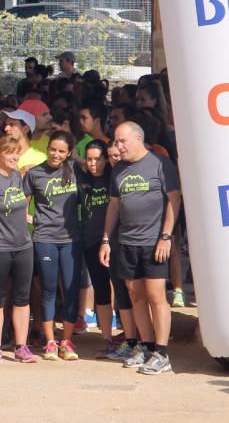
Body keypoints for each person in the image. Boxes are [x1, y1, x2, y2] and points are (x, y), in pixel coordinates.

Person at [99, 122, 181, 376]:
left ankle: (162, 352)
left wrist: (166, 236)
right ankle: (145, 347)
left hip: (153, 242)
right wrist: (105, 239)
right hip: (126, 242)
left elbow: (174, 200)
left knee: (156, 297)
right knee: (135, 296)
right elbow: (114, 205)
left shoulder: (159, 163)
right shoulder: (119, 169)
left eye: (121, 141)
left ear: (138, 138)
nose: (117, 146)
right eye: (115, 141)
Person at [0, 134, 38, 364]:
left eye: (17, 152)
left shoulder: (22, 178)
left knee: (22, 297)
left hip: (23, 246)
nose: (15, 156)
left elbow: (24, 206)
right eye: (9, 152)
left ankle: (21, 346)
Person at [25, 130, 82, 361]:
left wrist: (75, 159)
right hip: (44, 238)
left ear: (69, 153)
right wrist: (31, 221)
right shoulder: (34, 173)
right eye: (52, 149)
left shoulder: (75, 171)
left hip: (71, 239)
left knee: (70, 289)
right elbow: (21, 204)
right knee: (48, 289)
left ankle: (67, 341)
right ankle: (50, 341)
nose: (55, 154)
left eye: (61, 151)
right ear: (47, 148)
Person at [76, 139, 118, 358]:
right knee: (101, 290)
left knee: (123, 289)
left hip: (115, 240)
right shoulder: (81, 180)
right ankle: (108, 339)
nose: (93, 164)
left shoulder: (114, 177)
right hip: (90, 241)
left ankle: (132, 336)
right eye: (89, 159)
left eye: (97, 159)